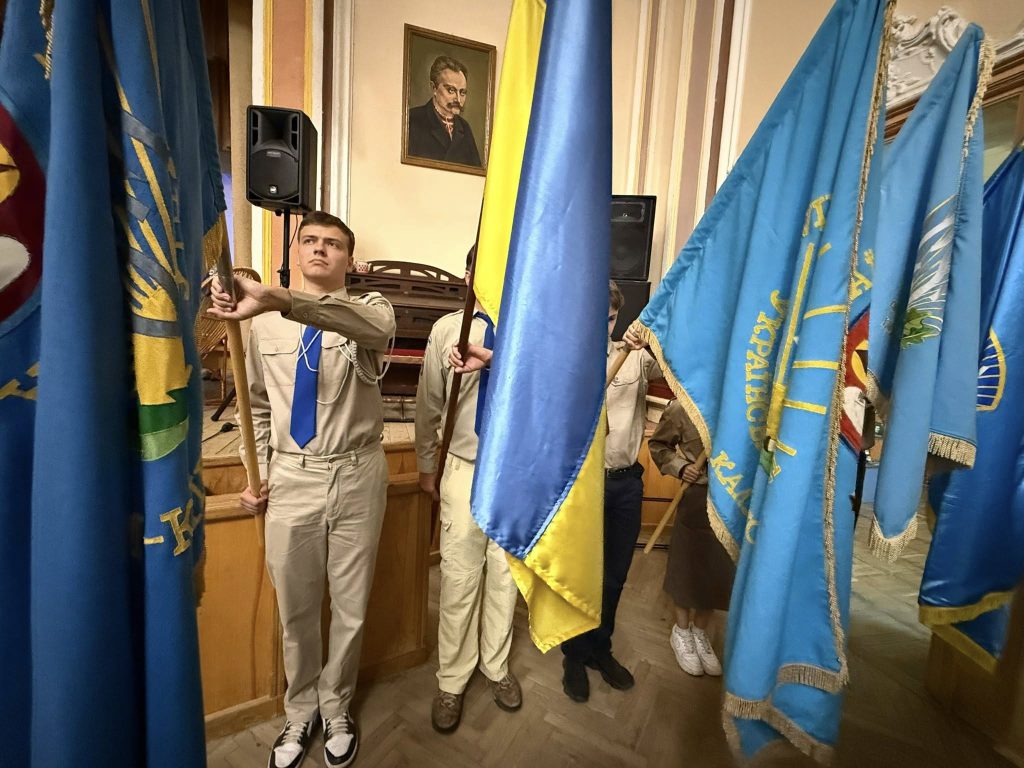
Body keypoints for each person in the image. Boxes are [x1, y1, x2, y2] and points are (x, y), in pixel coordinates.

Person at [207, 211, 396, 768]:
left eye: (332, 244)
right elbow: (258, 408)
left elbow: (375, 331)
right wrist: (258, 472)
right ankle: (300, 710)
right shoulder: (262, 327)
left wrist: (281, 299)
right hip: (293, 477)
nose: (320, 250)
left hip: (358, 473)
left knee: (351, 606)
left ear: (349, 259)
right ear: (294, 250)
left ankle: (337, 707)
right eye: (309, 240)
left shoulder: (371, 310)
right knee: (296, 607)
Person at [449, 280, 662, 704]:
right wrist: (490, 359)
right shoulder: (565, 360)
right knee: (579, 573)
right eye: (595, 317)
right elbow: (527, 373)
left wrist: (652, 339)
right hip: (582, 486)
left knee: (615, 576)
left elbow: (679, 368)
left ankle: (601, 650)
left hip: (625, 482)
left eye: (611, 319)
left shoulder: (636, 358)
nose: (603, 326)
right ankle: (574, 655)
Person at [415, 247, 521, 734]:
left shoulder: (527, 328)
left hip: (515, 475)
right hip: (463, 466)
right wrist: (426, 466)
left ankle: (496, 667)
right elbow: (429, 403)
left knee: (505, 576)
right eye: (485, 264)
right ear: (467, 273)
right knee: (459, 577)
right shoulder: (448, 330)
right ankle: (452, 680)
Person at [648, 399, 736, 677]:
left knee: (718, 568)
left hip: (731, 498)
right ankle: (682, 631)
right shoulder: (685, 405)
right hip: (697, 494)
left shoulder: (742, 404)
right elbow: (658, 445)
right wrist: (681, 466)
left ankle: (700, 631)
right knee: (687, 565)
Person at [407, 55, 482, 166]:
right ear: (434, 88)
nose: (458, 99)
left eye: (462, 92)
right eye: (451, 90)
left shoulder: (465, 128)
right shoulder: (412, 119)